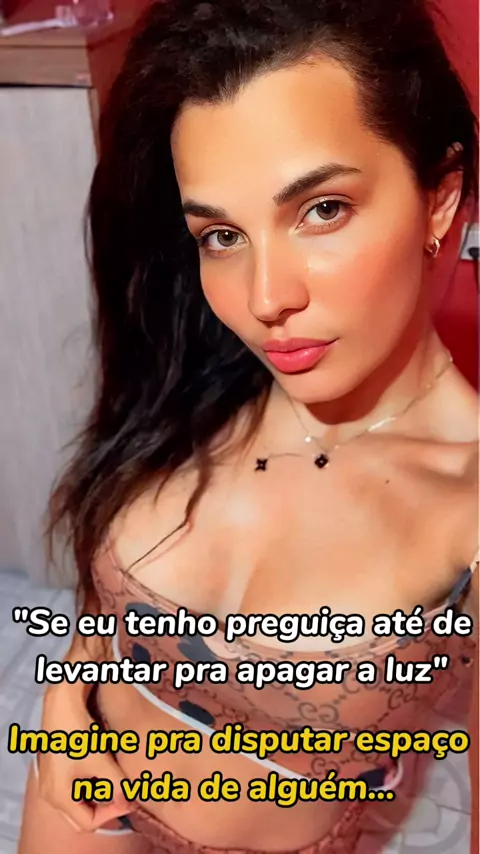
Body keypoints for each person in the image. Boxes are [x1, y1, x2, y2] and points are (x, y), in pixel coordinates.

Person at [18, 0, 478, 852]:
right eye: (222, 235)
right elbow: (106, 603)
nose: (265, 299)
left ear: (440, 199)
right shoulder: (193, 375)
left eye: (322, 210)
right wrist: (64, 711)